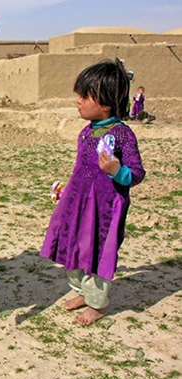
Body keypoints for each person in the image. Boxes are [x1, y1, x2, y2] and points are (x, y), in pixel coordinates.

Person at [40, 59, 145, 326]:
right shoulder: (86, 133)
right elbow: (81, 170)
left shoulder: (122, 135)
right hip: (78, 203)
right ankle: (82, 292)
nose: (78, 101)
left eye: (85, 96)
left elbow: (136, 174)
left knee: (98, 252)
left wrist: (115, 170)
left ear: (107, 103)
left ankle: (98, 305)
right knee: (72, 245)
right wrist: (67, 193)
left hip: (105, 209)